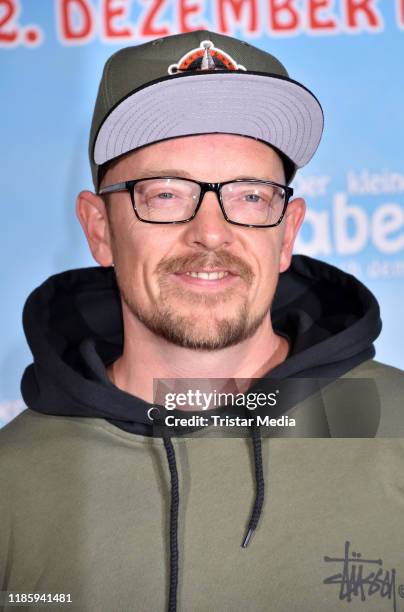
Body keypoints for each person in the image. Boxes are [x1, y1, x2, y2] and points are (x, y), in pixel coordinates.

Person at [1, 30, 404, 612]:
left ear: (287, 231)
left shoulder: (394, 428)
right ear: (99, 229)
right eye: (165, 193)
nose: (211, 232)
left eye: (249, 196)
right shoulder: (14, 483)